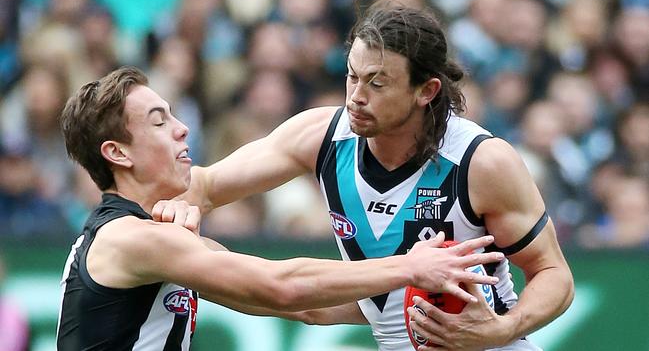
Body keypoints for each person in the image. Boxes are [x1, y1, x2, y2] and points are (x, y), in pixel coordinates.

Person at [163, 2, 575, 350]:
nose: (356, 96)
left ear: (426, 90)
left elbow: (555, 275)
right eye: (352, 76)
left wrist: (500, 329)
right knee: (308, 305)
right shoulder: (319, 135)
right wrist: (168, 213)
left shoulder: (481, 161)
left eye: (377, 83)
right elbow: (203, 187)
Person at [55, 66, 503, 350]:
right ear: (118, 153)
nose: (181, 128)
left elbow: (309, 308)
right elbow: (282, 286)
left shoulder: (158, 238)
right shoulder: (134, 239)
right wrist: (410, 269)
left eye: (173, 114)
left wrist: (433, 306)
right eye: (159, 121)